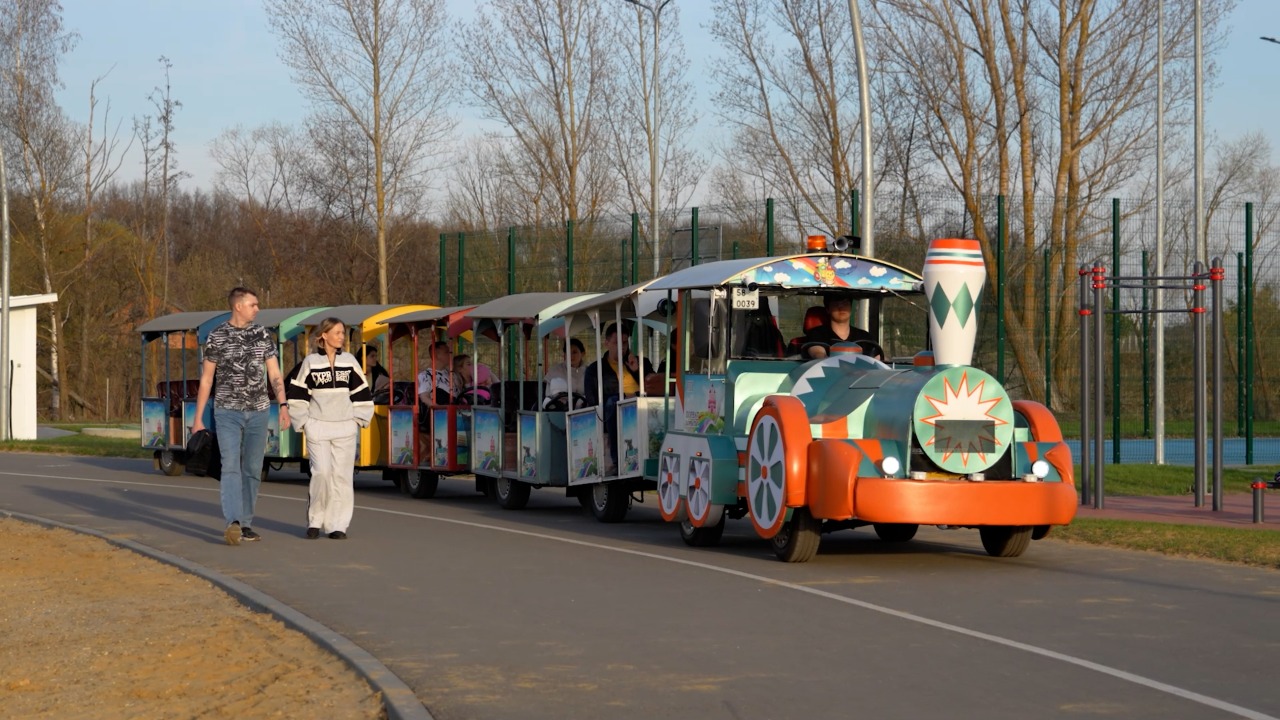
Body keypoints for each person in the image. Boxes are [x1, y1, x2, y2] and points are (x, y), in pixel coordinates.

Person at [193, 287, 290, 546]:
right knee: (231, 467)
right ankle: (233, 522)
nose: (257, 309)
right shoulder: (217, 336)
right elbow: (207, 379)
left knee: (252, 469)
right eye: (253, 304)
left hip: (259, 411)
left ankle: (245, 523)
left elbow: (274, 373)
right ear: (238, 306)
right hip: (226, 411)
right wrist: (197, 418)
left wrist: (283, 404)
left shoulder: (262, 335)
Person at [286, 318, 373, 540]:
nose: (342, 337)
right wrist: (305, 423)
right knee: (322, 473)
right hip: (318, 427)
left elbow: (362, 393)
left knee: (342, 477)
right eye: (337, 332)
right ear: (324, 335)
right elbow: (297, 395)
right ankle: (315, 520)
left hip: (345, 427)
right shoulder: (311, 362)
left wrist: (358, 420)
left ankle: (338, 525)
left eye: (343, 333)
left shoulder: (350, 361)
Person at [584, 323, 654, 471]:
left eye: (624, 342)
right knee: (612, 402)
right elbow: (594, 400)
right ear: (607, 343)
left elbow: (653, 386)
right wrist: (624, 396)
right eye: (616, 343)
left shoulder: (641, 362)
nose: (621, 347)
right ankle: (617, 460)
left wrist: (637, 371)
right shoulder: (595, 370)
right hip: (615, 412)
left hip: (641, 405)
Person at [803, 295, 876, 359]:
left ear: (851, 307)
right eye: (836, 304)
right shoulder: (816, 334)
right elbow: (817, 353)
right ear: (828, 309)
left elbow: (879, 358)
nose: (841, 307)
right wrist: (823, 358)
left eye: (845, 303)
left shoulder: (865, 337)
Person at [544, 337, 587, 409]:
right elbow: (549, 395)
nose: (571, 356)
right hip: (559, 410)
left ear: (582, 353)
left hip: (584, 411)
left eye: (574, 352)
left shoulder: (589, 372)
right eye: (568, 352)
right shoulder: (555, 371)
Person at [417, 341, 454, 406]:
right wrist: (440, 411)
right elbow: (424, 398)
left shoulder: (452, 374)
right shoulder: (425, 375)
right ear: (436, 355)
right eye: (446, 352)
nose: (450, 354)